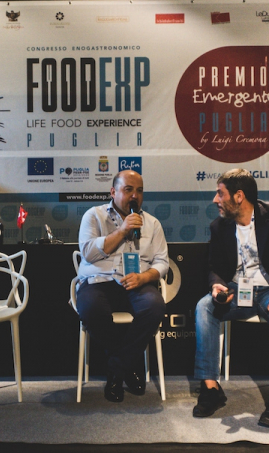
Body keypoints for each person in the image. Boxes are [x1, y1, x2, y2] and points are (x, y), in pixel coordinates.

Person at [193, 168, 269, 428]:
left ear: (238, 196)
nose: (215, 200)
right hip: (236, 290)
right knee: (204, 307)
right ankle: (211, 388)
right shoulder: (219, 226)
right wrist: (217, 286)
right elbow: (213, 266)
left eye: (219, 193)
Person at [77, 170, 169, 402]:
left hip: (136, 283)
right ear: (113, 192)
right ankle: (126, 367)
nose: (134, 196)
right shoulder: (94, 216)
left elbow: (162, 262)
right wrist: (122, 230)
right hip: (100, 281)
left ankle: (116, 369)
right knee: (90, 309)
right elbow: (87, 252)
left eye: (139, 191)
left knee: (154, 306)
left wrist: (144, 277)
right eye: (128, 190)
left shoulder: (152, 223)